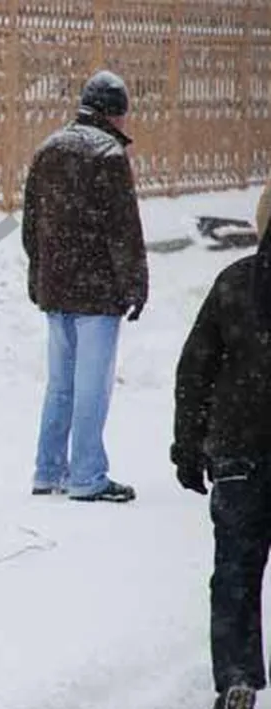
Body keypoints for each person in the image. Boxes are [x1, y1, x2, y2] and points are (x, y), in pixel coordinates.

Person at [21, 69, 147, 503]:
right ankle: (87, 475)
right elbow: (123, 230)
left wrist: (39, 273)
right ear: (114, 113)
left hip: (56, 286)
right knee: (93, 384)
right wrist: (135, 283)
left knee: (60, 384)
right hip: (96, 290)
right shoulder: (109, 155)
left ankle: (47, 468)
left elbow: (29, 225)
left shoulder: (48, 149)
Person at [172, 184, 271, 709]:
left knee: (235, 568)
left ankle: (237, 674)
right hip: (243, 444)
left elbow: (196, 370)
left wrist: (187, 445)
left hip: (238, 449)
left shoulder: (234, 283)